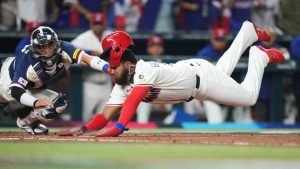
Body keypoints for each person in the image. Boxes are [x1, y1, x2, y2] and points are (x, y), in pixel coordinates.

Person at [60, 21, 285, 137]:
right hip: (193, 74)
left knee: (249, 98)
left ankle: (258, 57)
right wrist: (83, 130)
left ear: (125, 60)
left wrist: (120, 127)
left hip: (202, 80)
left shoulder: (143, 69)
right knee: (223, 71)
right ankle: (247, 33)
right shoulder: (122, 84)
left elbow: (132, 102)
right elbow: (103, 116)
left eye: (113, 64)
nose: (110, 69)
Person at [0, 26, 110, 135]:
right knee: (3, 100)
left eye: (50, 45)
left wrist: (107, 67)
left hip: (34, 85)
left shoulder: (65, 48)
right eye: (41, 47)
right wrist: (36, 102)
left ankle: (27, 123)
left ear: (56, 43)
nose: (47, 51)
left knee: (58, 105)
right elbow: (15, 90)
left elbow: (88, 59)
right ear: (34, 48)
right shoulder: (26, 58)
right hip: (9, 81)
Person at [71, 13, 112, 122]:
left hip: (107, 83)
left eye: (100, 23)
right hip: (90, 83)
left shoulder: (112, 35)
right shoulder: (83, 38)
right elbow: (68, 51)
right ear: (91, 24)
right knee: (84, 117)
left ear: (105, 24)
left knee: (105, 119)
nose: (97, 26)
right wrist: (89, 53)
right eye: (95, 23)